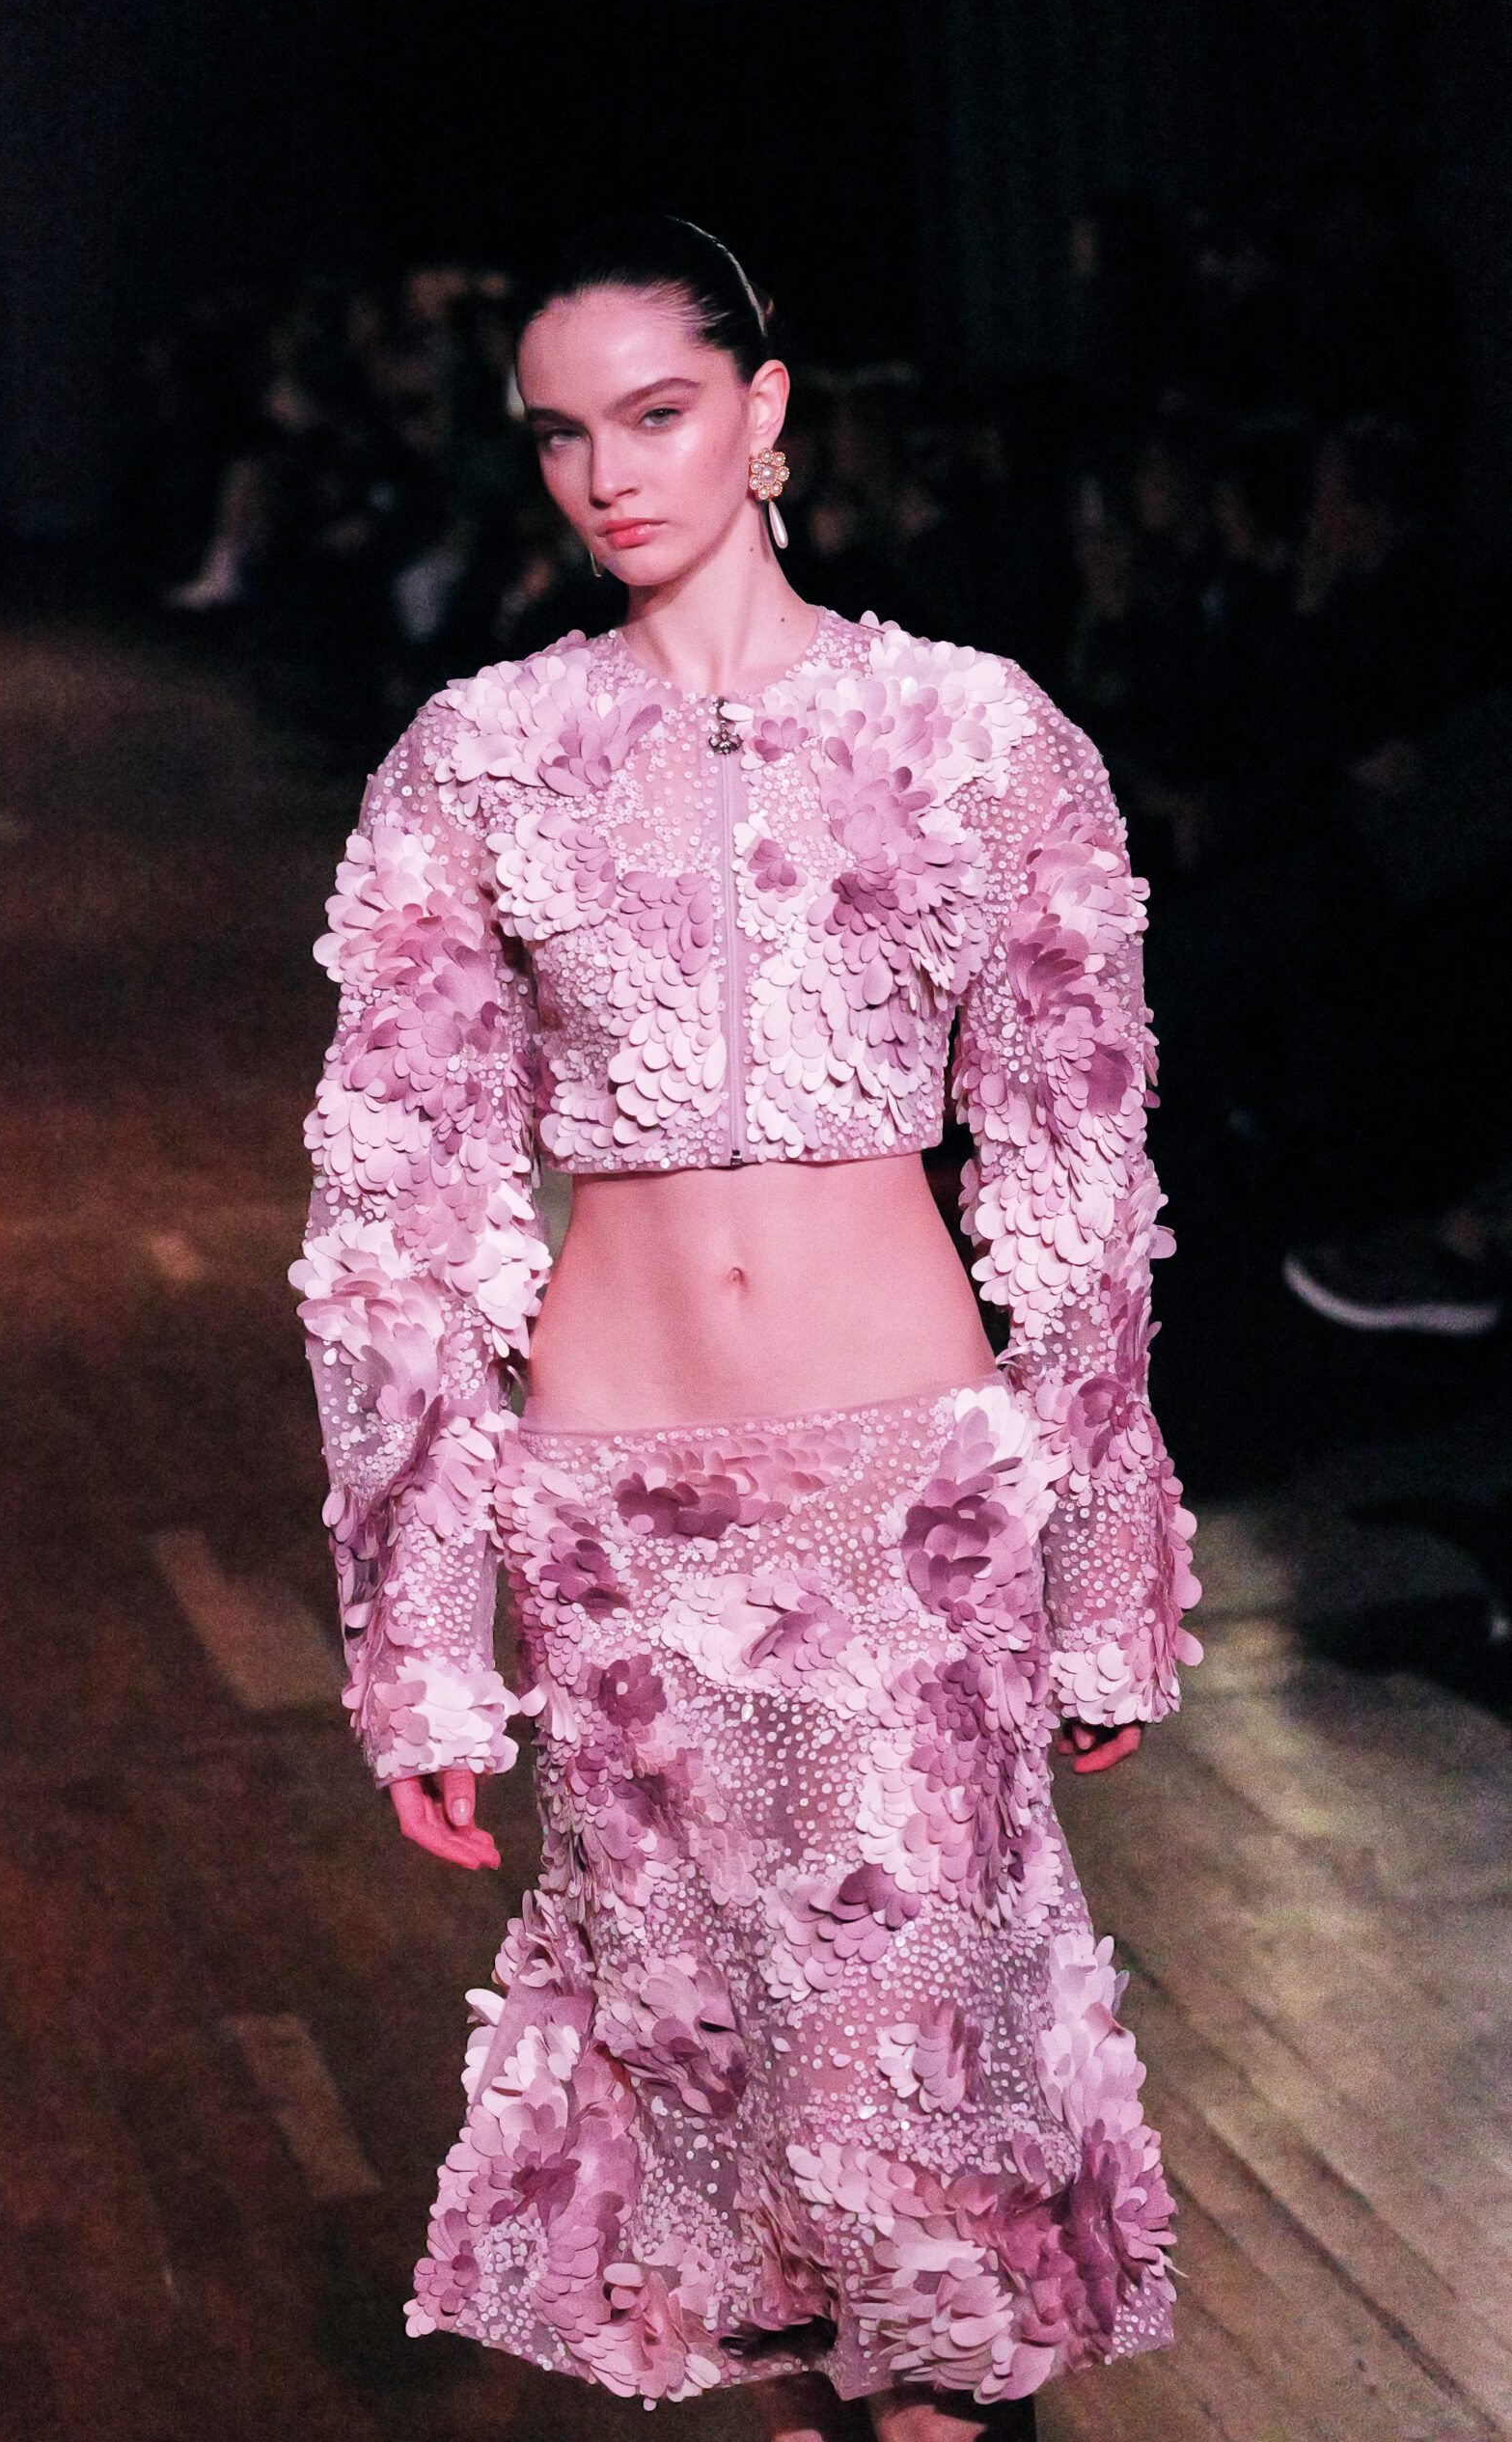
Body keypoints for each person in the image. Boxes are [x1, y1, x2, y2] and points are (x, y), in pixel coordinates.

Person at [291, 212, 1203, 2441]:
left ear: (766, 407)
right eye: (560, 436)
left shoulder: (975, 736)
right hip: (619, 1526)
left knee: (922, 2134)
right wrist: (420, 1632)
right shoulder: (478, 758)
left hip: (909, 1508)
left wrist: (1100, 1571)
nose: (607, 474)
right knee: (736, 2170)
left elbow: (1077, 1183)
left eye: (657, 412)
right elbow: (395, 1213)